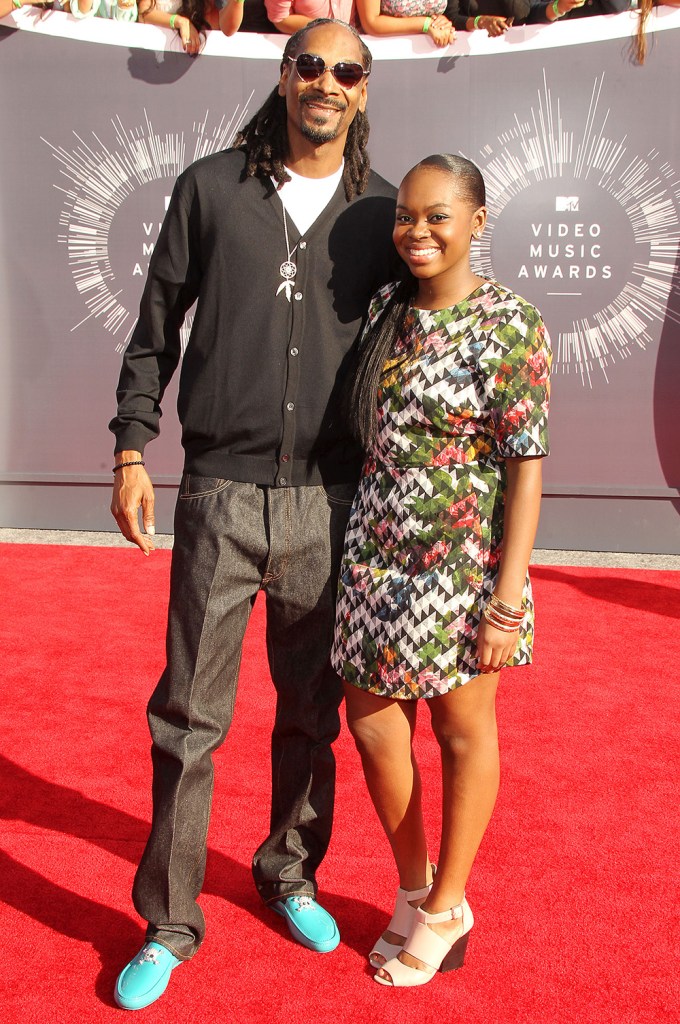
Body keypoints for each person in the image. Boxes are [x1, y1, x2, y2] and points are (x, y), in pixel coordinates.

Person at [109, 17, 398, 1011]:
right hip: (218, 493)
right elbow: (155, 326)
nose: (324, 82)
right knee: (188, 715)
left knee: (311, 715)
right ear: (282, 76)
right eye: (309, 64)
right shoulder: (210, 188)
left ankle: (288, 870)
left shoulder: (380, 214)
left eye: (344, 72)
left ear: (362, 93)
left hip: (331, 497)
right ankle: (169, 919)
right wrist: (129, 447)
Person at [331, 153, 551, 987]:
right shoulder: (387, 307)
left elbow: (526, 465)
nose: (417, 233)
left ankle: (452, 903)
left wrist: (506, 598)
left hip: (462, 565)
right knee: (375, 727)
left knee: (462, 734)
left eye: (438, 217)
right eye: (405, 218)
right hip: (374, 551)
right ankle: (416, 886)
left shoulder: (510, 323)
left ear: (478, 221)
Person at [356, 0, 455, 45]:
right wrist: (425, 24)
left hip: (434, 55)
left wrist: (440, 22)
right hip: (390, 54)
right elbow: (370, 22)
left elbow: (454, 12)